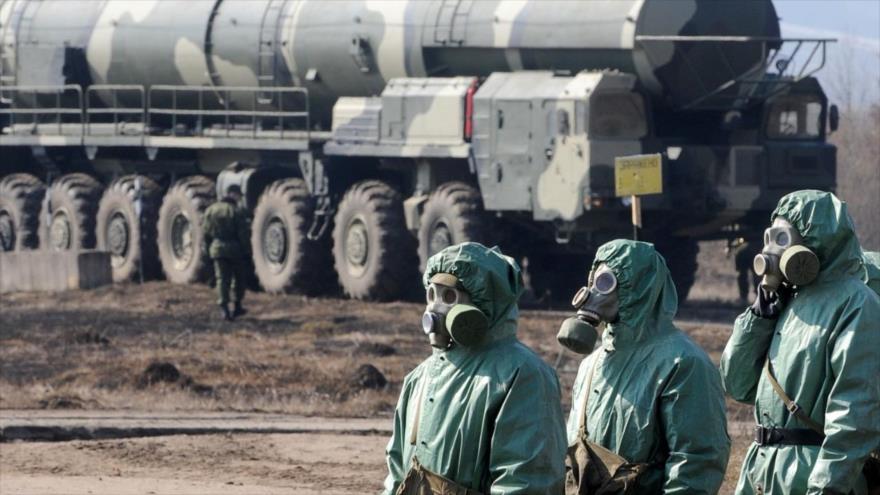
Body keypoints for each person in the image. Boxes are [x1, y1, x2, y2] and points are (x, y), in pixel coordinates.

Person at [720, 190, 880, 494]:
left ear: (815, 241)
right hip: (761, 472)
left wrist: (825, 488)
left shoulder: (856, 303)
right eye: (768, 238)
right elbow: (736, 383)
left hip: (811, 475)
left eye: (781, 239)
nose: (769, 250)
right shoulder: (785, 303)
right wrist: (759, 316)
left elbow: (854, 415)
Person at [383, 242, 567, 494]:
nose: (435, 308)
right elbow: (396, 474)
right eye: (431, 295)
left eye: (449, 296)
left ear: (486, 300)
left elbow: (525, 481)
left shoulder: (522, 375)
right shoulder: (419, 378)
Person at [559, 239, 730, 494]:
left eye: (607, 282)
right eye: (594, 280)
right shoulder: (591, 364)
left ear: (640, 288)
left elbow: (696, 461)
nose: (595, 292)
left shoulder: (683, 362)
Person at [202, 184, 250, 321]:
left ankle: (224, 309)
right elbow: (243, 235)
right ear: (233, 194)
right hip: (235, 250)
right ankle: (237, 306)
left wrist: (207, 252)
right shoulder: (236, 211)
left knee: (222, 279)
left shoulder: (210, 210)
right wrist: (247, 251)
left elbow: (205, 234)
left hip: (217, 249)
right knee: (238, 279)